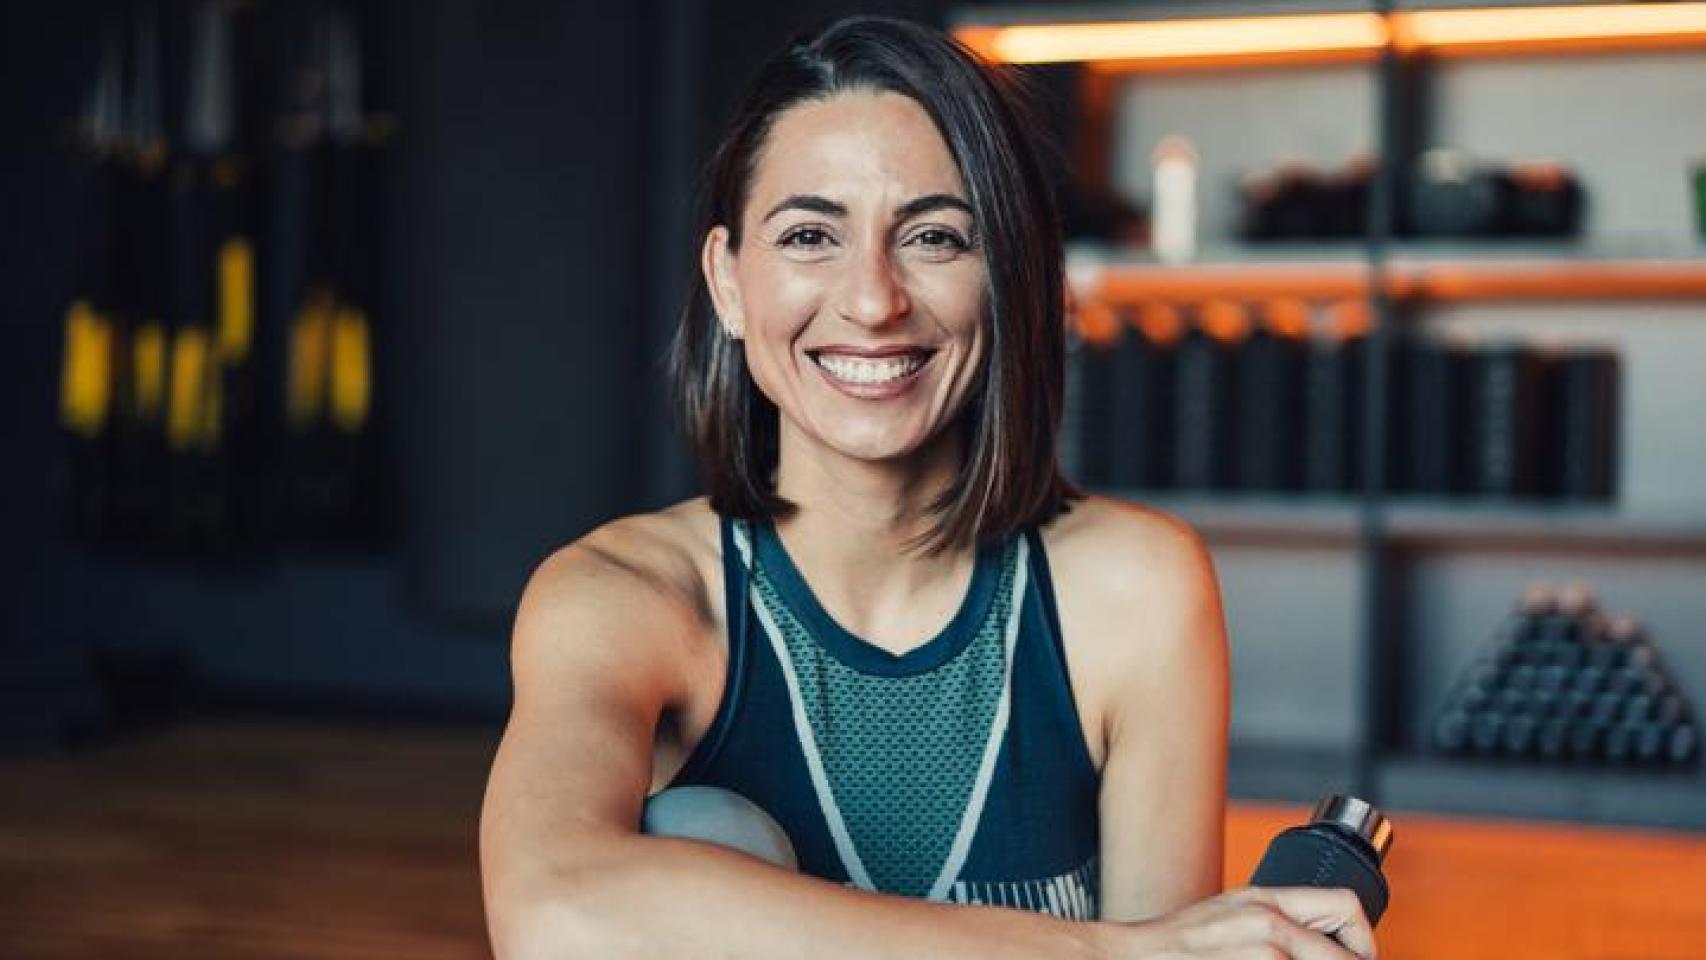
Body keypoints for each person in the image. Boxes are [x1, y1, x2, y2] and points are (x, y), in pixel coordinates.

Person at [479, 15, 1375, 960]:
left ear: (1009, 277)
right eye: (810, 235)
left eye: (936, 238)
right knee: (704, 832)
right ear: (729, 283)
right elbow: (553, 911)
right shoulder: (622, 597)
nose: (873, 301)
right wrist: (1109, 949)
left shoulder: (1135, 588)